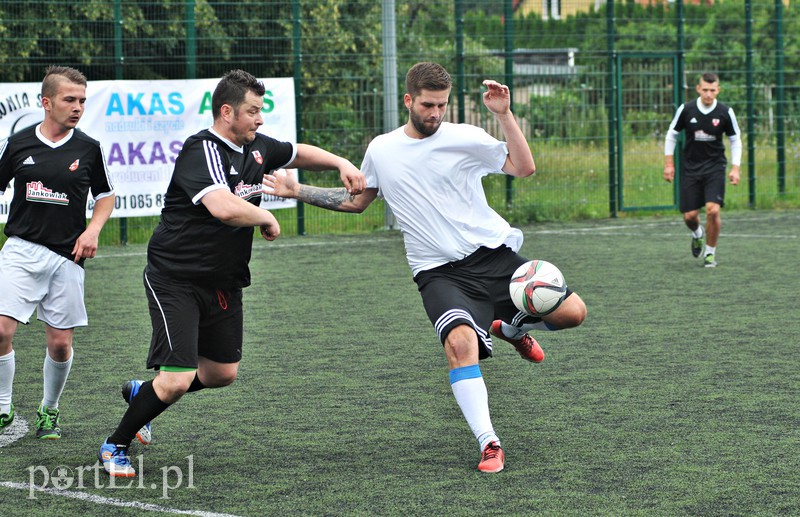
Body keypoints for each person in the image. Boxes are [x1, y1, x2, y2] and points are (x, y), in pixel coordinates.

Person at [263, 62, 587, 473]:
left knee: (574, 313)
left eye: (442, 105)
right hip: (438, 272)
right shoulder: (381, 148)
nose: (435, 113)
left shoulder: (465, 137)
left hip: (492, 256)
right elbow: (358, 201)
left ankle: (512, 328)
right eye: (428, 105)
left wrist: (504, 115)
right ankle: (489, 442)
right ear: (409, 101)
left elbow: (523, 168)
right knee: (460, 345)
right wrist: (298, 190)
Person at [98, 69, 365, 477]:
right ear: (227, 112)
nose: (260, 120)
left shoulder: (255, 147)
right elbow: (222, 206)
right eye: (253, 111)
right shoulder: (201, 150)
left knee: (221, 374)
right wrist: (266, 218)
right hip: (176, 278)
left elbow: (296, 152)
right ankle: (115, 445)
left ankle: (144, 395)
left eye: (261, 111)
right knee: (177, 379)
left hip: (223, 281)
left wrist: (340, 162)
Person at [0, 66, 115, 439]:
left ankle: (49, 410)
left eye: (82, 100)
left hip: (68, 257)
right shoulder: (18, 144)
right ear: (46, 103)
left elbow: (106, 196)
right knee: (1, 329)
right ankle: (3, 408)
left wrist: (93, 230)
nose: (78, 107)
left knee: (61, 344)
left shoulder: (88, 148)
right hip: (21, 249)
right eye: (69, 100)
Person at [664, 72, 741, 268]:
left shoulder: (725, 112)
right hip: (690, 167)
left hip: (715, 167)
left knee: (712, 210)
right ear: (698, 89)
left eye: (712, 90)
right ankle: (697, 234)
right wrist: (669, 163)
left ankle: (710, 253)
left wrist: (735, 168)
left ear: (718, 90)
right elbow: (672, 135)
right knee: (690, 215)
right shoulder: (686, 109)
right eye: (705, 90)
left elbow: (735, 140)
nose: (708, 94)